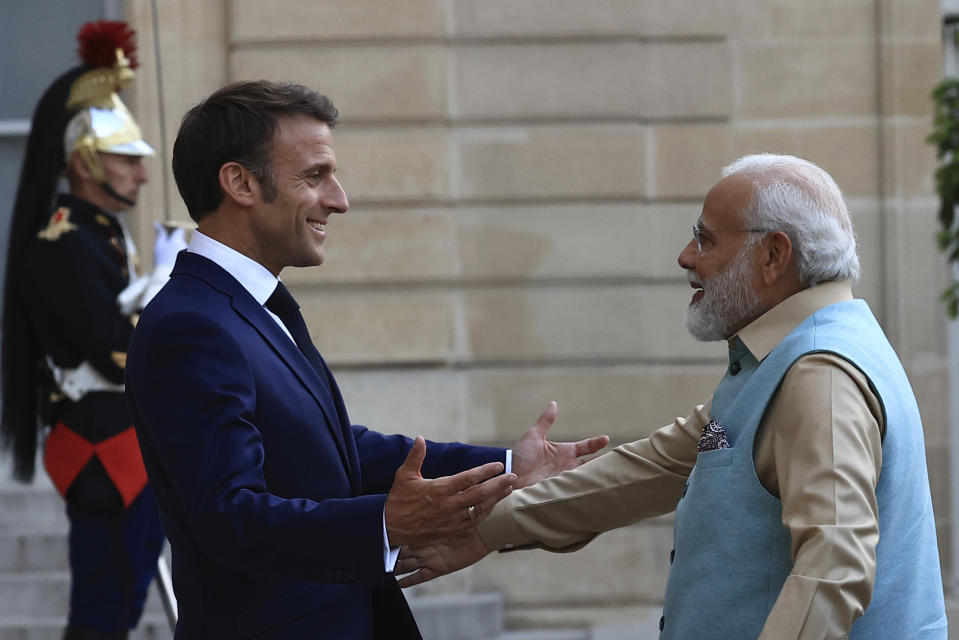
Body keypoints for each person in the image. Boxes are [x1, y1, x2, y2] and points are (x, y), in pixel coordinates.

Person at [123, 79, 609, 639]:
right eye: (314, 176)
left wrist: (506, 467)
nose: (339, 199)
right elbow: (229, 516)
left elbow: (332, 451)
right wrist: (383, 522)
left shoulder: (245, 308)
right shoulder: (192, 323)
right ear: (239, 182)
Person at [396, 154, 949, 639]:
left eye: (706, 238)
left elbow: (834, 566)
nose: (686, 256)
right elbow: (653, 470)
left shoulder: (817, 375)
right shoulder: (792, 356)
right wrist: (484, 529)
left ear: (773, 256)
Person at [0, 21, 186, 640]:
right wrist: (165, 292)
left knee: (123, 599)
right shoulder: (63, 244)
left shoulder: (99, 234)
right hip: (105, 448)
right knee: (105, 612)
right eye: (124, 159)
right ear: (83, 161)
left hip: (129, 443)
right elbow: (118, 353)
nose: (139, 173)